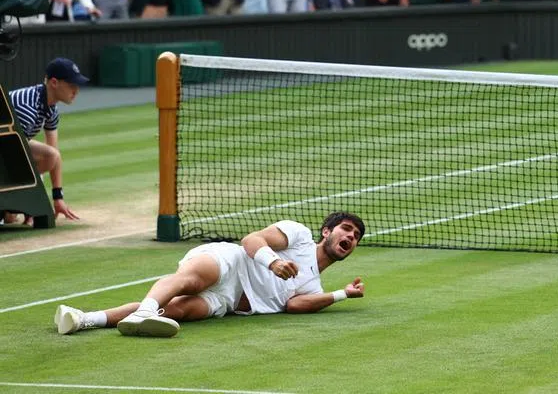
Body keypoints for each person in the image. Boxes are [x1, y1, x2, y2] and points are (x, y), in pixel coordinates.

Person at [56, 212, 366, 337]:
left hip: (228, 301)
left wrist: (341, 294)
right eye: (346, 229)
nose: (350, 237)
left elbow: (294, 306)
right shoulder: (297, 235)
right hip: (229, 262)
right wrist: (272, 263)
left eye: (356, 237)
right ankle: (146, 311)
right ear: (327, 231)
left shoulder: (313, 285)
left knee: (175, 309)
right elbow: (250, 241)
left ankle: (83, 318)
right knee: (190, 280)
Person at [6, 58, 87, 224]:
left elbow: (54, 155)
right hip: (5, 147)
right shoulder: (27, 108)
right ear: (54, 83)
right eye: (72, 85)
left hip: (9, 145)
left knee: (51, 155)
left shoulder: (51, 109)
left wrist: (58, 198)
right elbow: (10, 156)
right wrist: (29, 201)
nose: (76, 91)